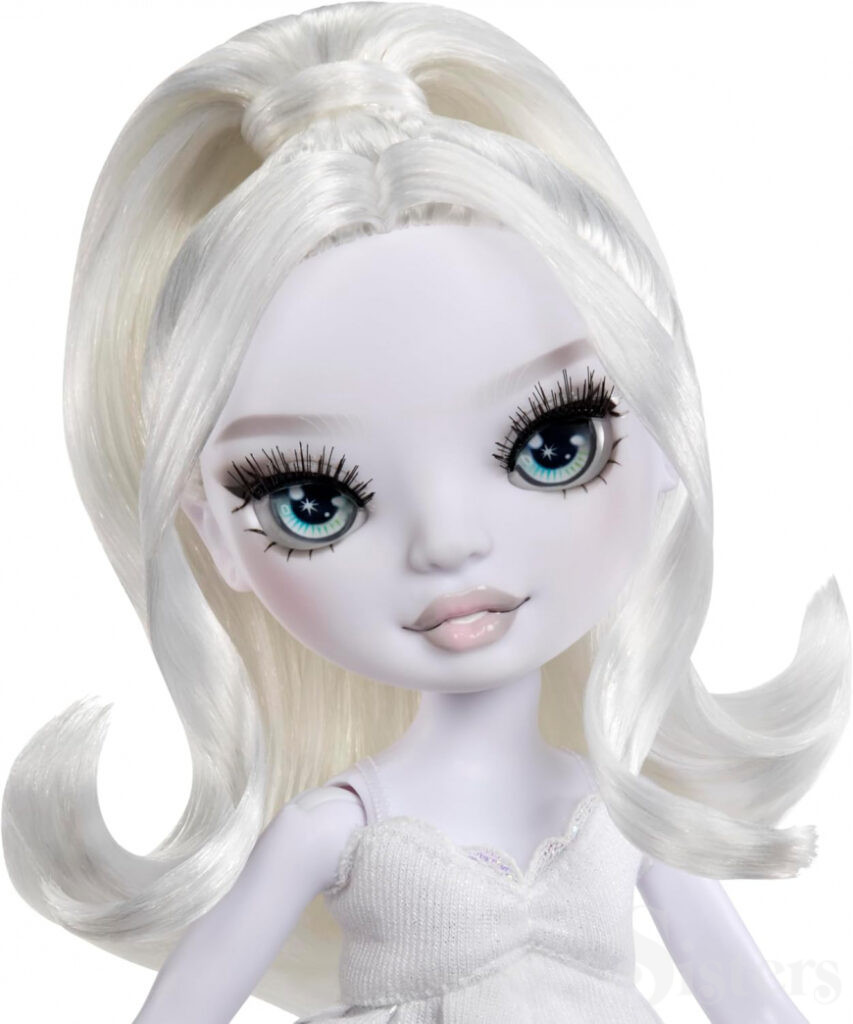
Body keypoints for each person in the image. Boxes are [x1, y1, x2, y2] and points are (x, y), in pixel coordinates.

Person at [3, 4, 849, 1022]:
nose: (449, 543)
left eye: (554, 444)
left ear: (665, 432)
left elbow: (757, 1006)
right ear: (213, 528)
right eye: (314, 501)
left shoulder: (626, 817)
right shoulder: (335, 829)